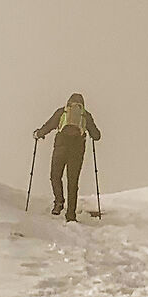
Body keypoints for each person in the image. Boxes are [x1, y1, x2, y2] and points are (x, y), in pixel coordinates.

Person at [34, 92, 102, 221]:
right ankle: (71, 215)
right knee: (73, 182)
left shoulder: (62, 112)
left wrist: (38, 134)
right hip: (77, 151)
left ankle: (59, 202)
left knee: (55, 175)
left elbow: (49, 126)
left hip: (61, 147)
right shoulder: (85, 115)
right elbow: (97, 136)